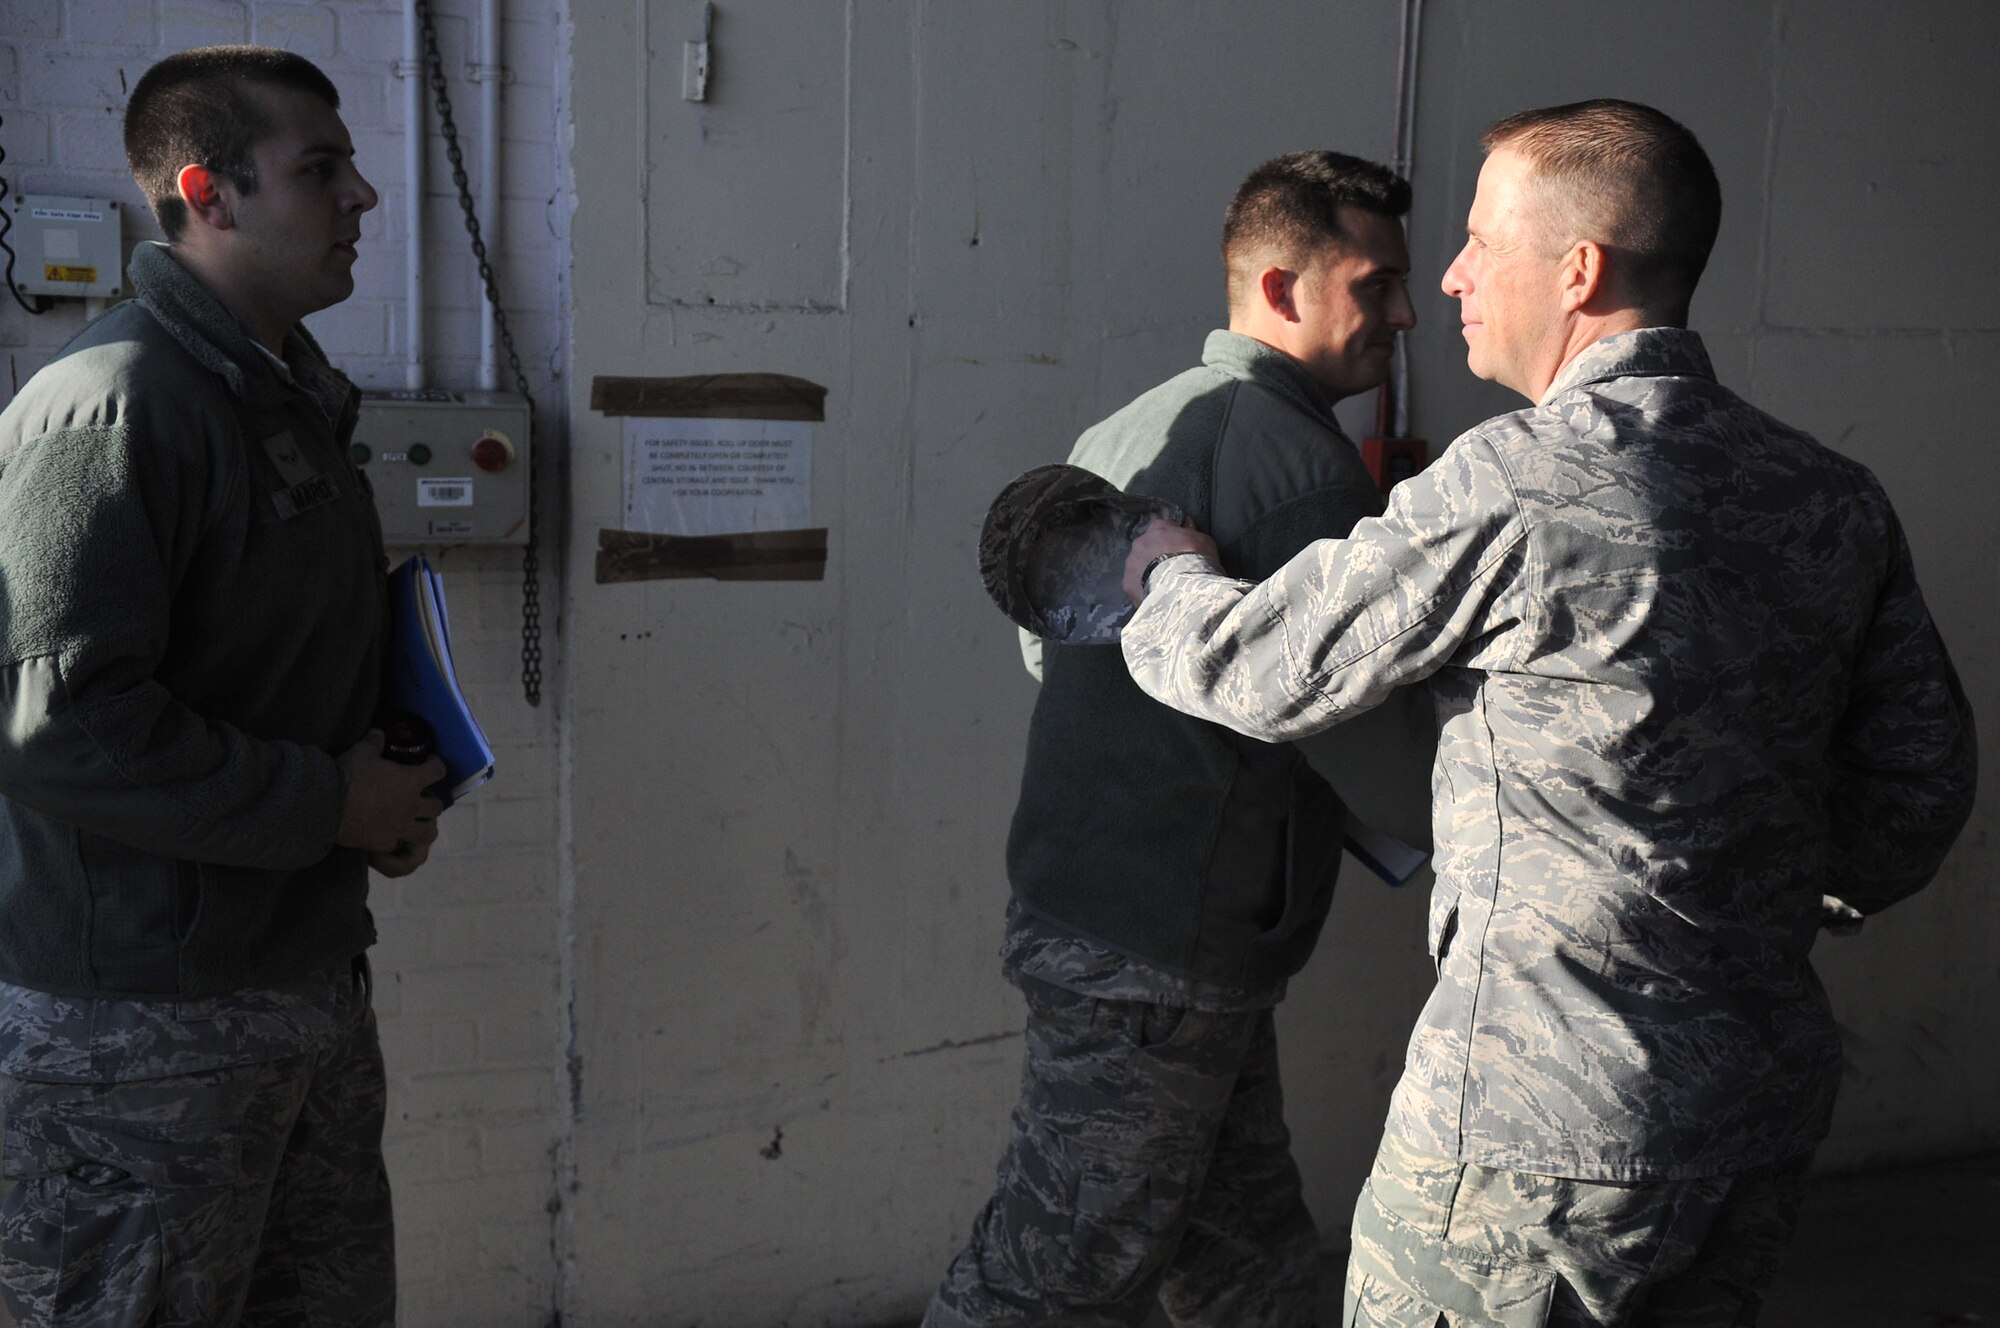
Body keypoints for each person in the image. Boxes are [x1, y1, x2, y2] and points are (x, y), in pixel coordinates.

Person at [1118, 100, 1976, 1327]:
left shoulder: (1518, 480)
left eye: (1477, 241)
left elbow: (1258, 669)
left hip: (1536, 1139)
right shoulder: (1828, 493)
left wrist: (1158, 574)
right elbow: (1918, 787)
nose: (1451, 278)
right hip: (1753, 1109)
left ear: (1576, 270)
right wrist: (1762, 891)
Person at [926, 150, 1420, 1328]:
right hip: (1162, 946)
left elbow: (1049, 641)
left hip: (1108, 917)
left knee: (1243, 1258)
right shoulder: (1300, 468)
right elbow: (1359, 737)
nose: (1404, 313)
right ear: (1283, 287)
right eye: (1375, 284)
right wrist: (1516, 819)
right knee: (1051, 1272)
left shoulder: (1125, 422)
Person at [0, 46, 445, 1327]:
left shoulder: (277, 399)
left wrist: (384, 792)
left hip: (293, 993)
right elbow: (57, 721)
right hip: (139, 1046)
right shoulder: (114, 402)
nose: (361, 196)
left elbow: (265, 669)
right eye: (322, 168)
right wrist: (326, 803)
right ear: (209, 191)